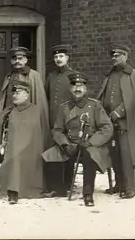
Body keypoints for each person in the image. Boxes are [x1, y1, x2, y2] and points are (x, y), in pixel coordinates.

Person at [42, 73, 113, 207]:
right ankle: (59, 188)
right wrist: (64, 143)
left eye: (80, 86)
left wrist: (91, 142)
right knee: (51, 154)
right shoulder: (64, 107)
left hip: (91, 144)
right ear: (70, 89)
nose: (77, 89)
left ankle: (87, 193)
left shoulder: (95, 106)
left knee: (89, 156)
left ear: (85, 89)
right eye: (74, 85)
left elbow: (107, 128)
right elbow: (57, 130)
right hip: (71, 143)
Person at [0, 80, 44, 204]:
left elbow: (33, 136)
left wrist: (17, 148)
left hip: (25, 151)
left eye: (18, 93)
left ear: (27, 94)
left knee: (14, 158)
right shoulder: (8, 110)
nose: (14, 95)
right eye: (13, 93)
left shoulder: (34, 111)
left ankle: (13, 191)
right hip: (5, 147)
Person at [97, 44, 135, 199]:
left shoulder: (134, 74)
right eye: (113, 56)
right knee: (114, 154)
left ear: (126, 56)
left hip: (126, 122)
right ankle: (118, 184)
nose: (114, 58)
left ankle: (129, 187)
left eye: (118, 55)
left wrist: (118, 112)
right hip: (109, 121)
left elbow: (134, 98)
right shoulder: (110, 75)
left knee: (126, 155)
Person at [44, 44, 77, 197]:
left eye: (61, 56)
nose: (58, 59)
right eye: (56, 57)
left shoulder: (73, 75)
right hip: (52, 118)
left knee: (67, 149)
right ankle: (55, 184)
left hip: (68, 118)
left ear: (67, 58)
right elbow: (46, 97)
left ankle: (68, 182)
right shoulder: (51, 76)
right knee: (54, 150)